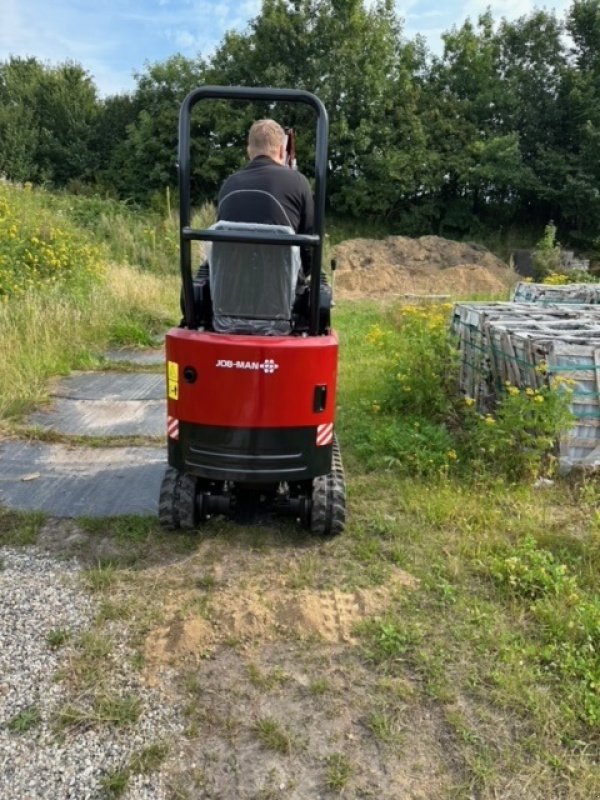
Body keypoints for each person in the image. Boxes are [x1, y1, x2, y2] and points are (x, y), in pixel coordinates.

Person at [217, 119, 314, 278]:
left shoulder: (229, 184)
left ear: (249, 151)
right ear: (282, 151)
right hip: (283, 294)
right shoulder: (298, 182)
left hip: (231, 291)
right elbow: (309, 247)